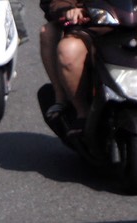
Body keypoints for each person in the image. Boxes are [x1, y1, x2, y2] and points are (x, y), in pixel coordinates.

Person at [40, 0, 100, 130]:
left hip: (124, 27)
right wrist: (71, 10)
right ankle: (80, 112)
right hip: (87, 27)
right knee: (67, 49)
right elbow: (56, 3)